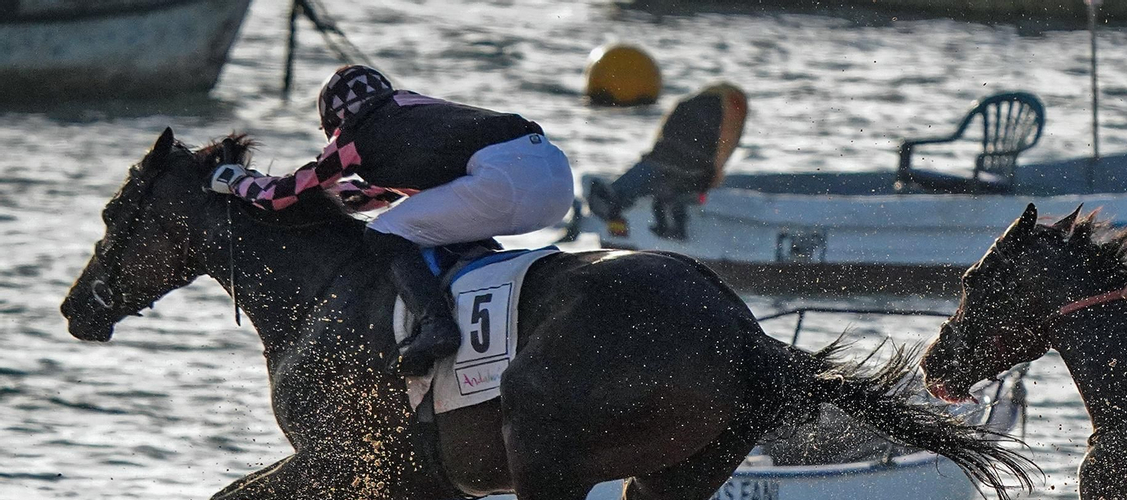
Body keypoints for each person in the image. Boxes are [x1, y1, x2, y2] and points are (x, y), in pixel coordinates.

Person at [209, 65, 575, 376]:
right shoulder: (413, 109)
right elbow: (395, 191)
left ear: (336, 120)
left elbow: (282, 194)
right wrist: (342, 198)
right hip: (555, 177)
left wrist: (237, 181)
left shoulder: (356, 131)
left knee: (384, 232)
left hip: (506, 181)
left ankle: (437, 326)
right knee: (437, 223)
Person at [585, 83, 748, 233]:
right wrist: (715, 172)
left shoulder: (689, 103)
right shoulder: (731, 103)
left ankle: (614, 200)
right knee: (674, 179)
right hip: (690, 167)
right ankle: (668, 214)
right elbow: (727, 138)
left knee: (653, 172)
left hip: (664, 158)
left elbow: (662, 135)